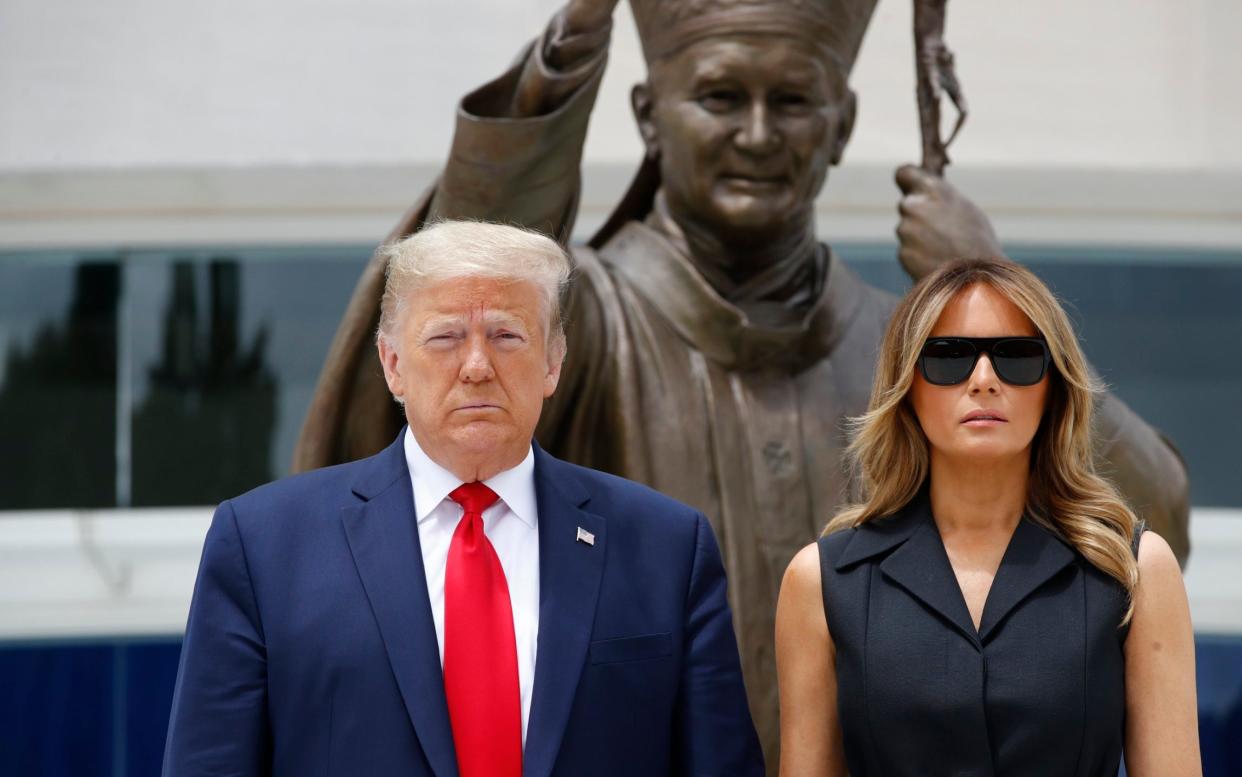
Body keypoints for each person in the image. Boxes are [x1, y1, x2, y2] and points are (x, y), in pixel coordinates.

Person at [293, 0, 1191, 765]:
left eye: (793, 100)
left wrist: (985, 286)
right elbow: (466, 288)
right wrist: (564, 61)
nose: (758, 135)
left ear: (841, 123)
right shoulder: (585, 326)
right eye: (721, 96)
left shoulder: (923, 356)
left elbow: (1144, 531)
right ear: (651, 115)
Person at [162, 221, 764, 777]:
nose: (477, 366)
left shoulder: (664, 547)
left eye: (506, 335)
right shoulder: (265, 545)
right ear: (393, 364)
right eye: (446, 337)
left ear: (553, 361)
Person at [775, 257, 1200, 776]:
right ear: (907, 388)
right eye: (948, 357)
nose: (983, 380)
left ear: (1054, 386)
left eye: (1016, 357)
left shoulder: (1132, 570)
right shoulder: (823, 581)